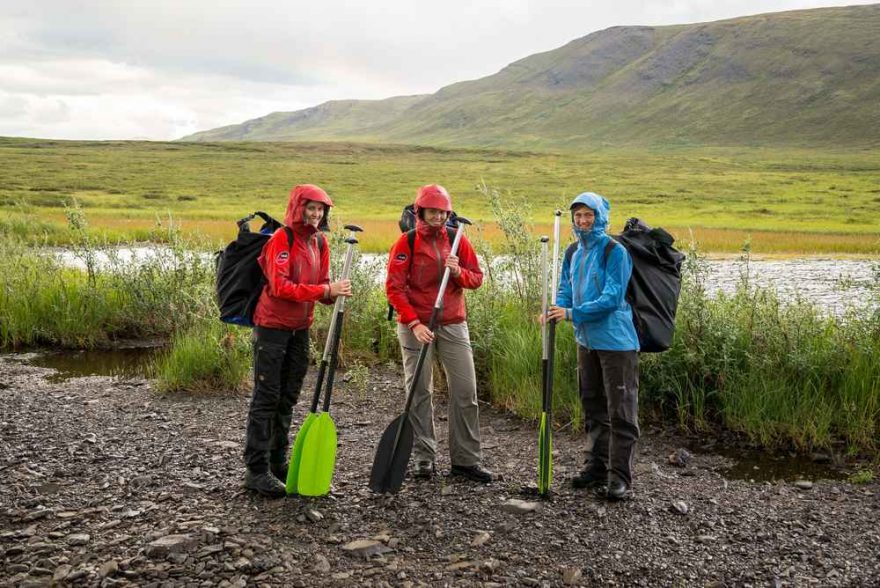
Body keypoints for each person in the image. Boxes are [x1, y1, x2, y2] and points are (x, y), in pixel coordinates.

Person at [243, 184, 352, 498]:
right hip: (272, 328)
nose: (316, 214)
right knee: (266, 398)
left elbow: (320, 288)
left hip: (299, 329)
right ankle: (256, 470)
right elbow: (280, 287)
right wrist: (324, 291)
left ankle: (278, 464)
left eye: (321, 209)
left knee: (287, 398)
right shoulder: (282, 239)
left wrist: (335, 292)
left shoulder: (319, 242)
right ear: (298, 207)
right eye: (311, 208)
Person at [385, 184, 493, 483]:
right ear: (420, 211)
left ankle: (466, 461)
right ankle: (424, 457)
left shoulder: (458, 239)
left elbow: (477, 279)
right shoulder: (405, 243)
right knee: (419, 391)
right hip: (416, 325)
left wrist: (458, 272)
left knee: (465, 392)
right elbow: (394, 288)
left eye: (443, 211)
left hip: (452, 322)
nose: (438, 216)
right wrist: (414, 323)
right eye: (433, 211)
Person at [543, 192, 640, 500]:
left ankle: (619, 476)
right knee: (593, 406)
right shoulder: (572, 251)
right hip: (585, 341)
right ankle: (595, 468)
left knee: (620, 410)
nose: (583, 221)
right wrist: (557, 309)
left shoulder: (615, 252)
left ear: (600, 217)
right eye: (579, 216)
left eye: (589, 215)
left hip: (616, 343)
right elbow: (565, 289)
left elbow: (611, 299)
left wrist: (571, 313)